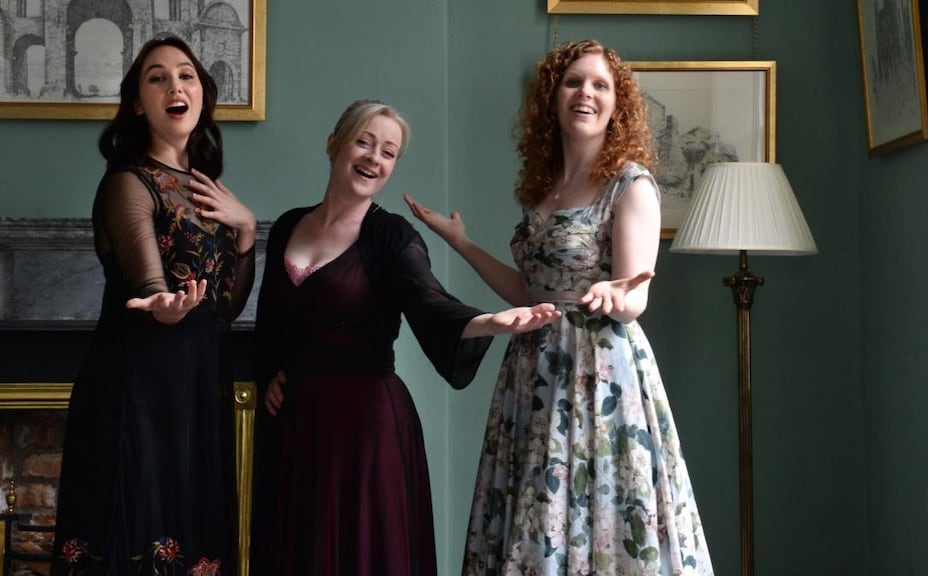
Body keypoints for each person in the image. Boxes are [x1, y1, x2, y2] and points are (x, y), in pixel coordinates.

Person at [404, 40, 714, 575]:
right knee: (534, 508)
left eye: (600, 85)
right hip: (533, 367)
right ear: (553, 96)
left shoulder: (631, 183)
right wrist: (461, 242)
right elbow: (531, 294)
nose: (585, 93)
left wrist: (615, 295)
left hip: (598, 372)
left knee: (601, 512)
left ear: (618, 104)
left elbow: (635, 293)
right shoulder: (542, 189)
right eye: (573, 82)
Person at [248, 99, 561, 576]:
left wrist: (493, 322)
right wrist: (271, 372)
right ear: (334, 144)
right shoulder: (290, 224)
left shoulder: (393, 237)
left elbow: (430, 304)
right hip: (296, 425)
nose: (374, 158)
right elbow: (271, 320)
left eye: (389, 152)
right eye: (364, 142)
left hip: (366, 432)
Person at [50, 35, 257, 576]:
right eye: (157, 77)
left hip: (196, 387)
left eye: (186, 75)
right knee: (133, 533)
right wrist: (163, 303)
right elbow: (148, 284)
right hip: (136, 388)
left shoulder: (210, 190)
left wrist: (248, 230)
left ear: (202, 95)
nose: (175, 86)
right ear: (138, 103)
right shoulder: (128, 182)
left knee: (193, 541)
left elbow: (226, 309)